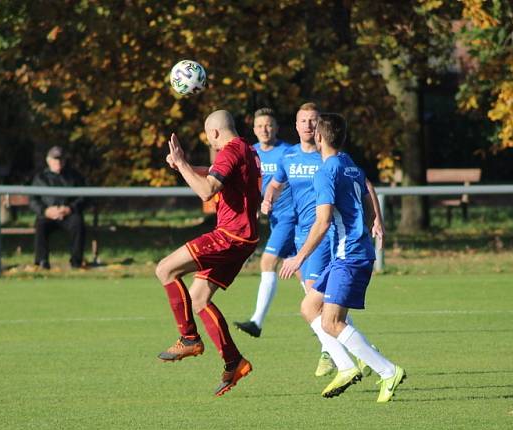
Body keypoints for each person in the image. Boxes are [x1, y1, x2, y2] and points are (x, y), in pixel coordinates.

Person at [279, 112, 405, 402]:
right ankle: (347, 367)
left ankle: (388, 371)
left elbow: (322, 222)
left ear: (319, 137)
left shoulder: (326, 172)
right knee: (310, 306)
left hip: (349, 256)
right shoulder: (348, 164)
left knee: (331, 323)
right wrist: (377, 219)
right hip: (348, 254)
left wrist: (299, 257)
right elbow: (368, 186)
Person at [155, 109, 261, 397]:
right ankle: (234, 361)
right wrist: (185, 166)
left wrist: (181, 163)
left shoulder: (228, 151)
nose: (209, 143)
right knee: (199, 298)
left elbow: (206, 191)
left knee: (165, 269)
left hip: (230, 235)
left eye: (208, 137)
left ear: (214, 133)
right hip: (244, 238)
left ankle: (189, 338)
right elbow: (217, 176)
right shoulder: (248, 150)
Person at [233, 108, 295, 338]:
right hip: (277, 220)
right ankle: (335, 334)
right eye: (260, 126)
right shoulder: (252, 153)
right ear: (254, 129)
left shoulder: (288, 153)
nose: (264, 129)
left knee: (267, 262)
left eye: (269, 125)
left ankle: (256, 322)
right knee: (307, 282)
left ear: (276, 128)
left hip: (291, 217)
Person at [28, 146, 87, 269]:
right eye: (55, 159)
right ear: (48, 160)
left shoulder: (74, 177)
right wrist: (45, 211)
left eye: (60, 159)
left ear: (65, 161)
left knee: (77, 223)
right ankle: (42, 261)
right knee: (40, 225)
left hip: (69, 214)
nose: (58, 162)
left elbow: (83, 197)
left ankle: (76, 262)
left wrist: (70, 208)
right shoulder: (40, 178)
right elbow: (33, 200)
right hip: (47, 215)